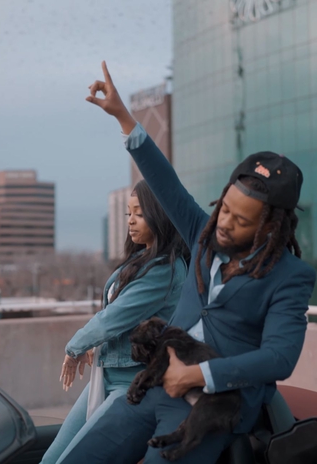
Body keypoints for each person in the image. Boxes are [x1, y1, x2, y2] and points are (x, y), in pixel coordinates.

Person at [59, 62, 317, 464]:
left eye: (242, 220)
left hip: (211, 409)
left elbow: (279, 358)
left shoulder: (291, 276)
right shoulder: (203, 233)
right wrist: (124, 117)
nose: (226, 224)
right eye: (225, 210)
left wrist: (197, 376)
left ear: (270, 226)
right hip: (154, 386)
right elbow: (167, 185)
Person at [40, 180, 189, 464]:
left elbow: (115, 317)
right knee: (52, 459)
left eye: (140, 214)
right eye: (128, 213)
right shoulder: (141, 259)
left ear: (161, 216)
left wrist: (75, 347)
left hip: (132, 384)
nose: (130, 221)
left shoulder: (164, 270)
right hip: (108, 374)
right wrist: (95, 348)